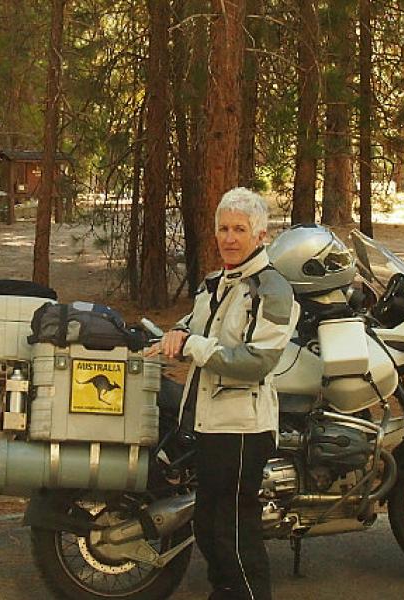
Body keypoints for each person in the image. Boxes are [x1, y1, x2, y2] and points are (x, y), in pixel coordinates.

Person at [146, 188, 299, 600]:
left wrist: (193, 345)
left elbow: (256, 361)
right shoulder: (214, 284)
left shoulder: (272, 289)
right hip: (210, 424)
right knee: (209, 529)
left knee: (235, 532)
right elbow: (197, 328)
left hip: (244, 428)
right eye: (223, 229)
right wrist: (173, 335)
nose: (230, 238)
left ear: (261, 235)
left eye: (240, 229)